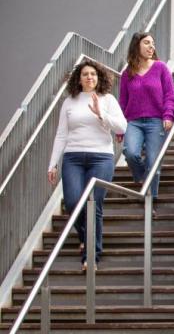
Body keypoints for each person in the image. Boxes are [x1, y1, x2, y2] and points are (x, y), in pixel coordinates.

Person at [48, 59, 127, 269]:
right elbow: (61, 134)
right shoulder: (69, 101)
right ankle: (85, 235)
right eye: (85, 74)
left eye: (93, 74)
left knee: (94, 205)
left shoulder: (107, 99)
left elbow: (122, 126)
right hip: (73, 157)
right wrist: (53, 163)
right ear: (79, 78)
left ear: (98, 77)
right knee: (73, 203)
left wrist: (101, 113)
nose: (89, 77)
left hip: (100, 157)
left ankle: (91, 256)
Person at [119, 32, 174, 213]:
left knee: (154, 162)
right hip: (133, 122)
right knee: (130, 153)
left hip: (156, 121)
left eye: (152, 43)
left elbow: (170, 95)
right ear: (137, 45)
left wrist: (168, 115)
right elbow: (122, 101)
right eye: (146, 43)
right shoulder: (127, 73)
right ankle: (143, 177)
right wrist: (120, 128)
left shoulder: (161, 68)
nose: (151, 47)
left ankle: (150, 201)